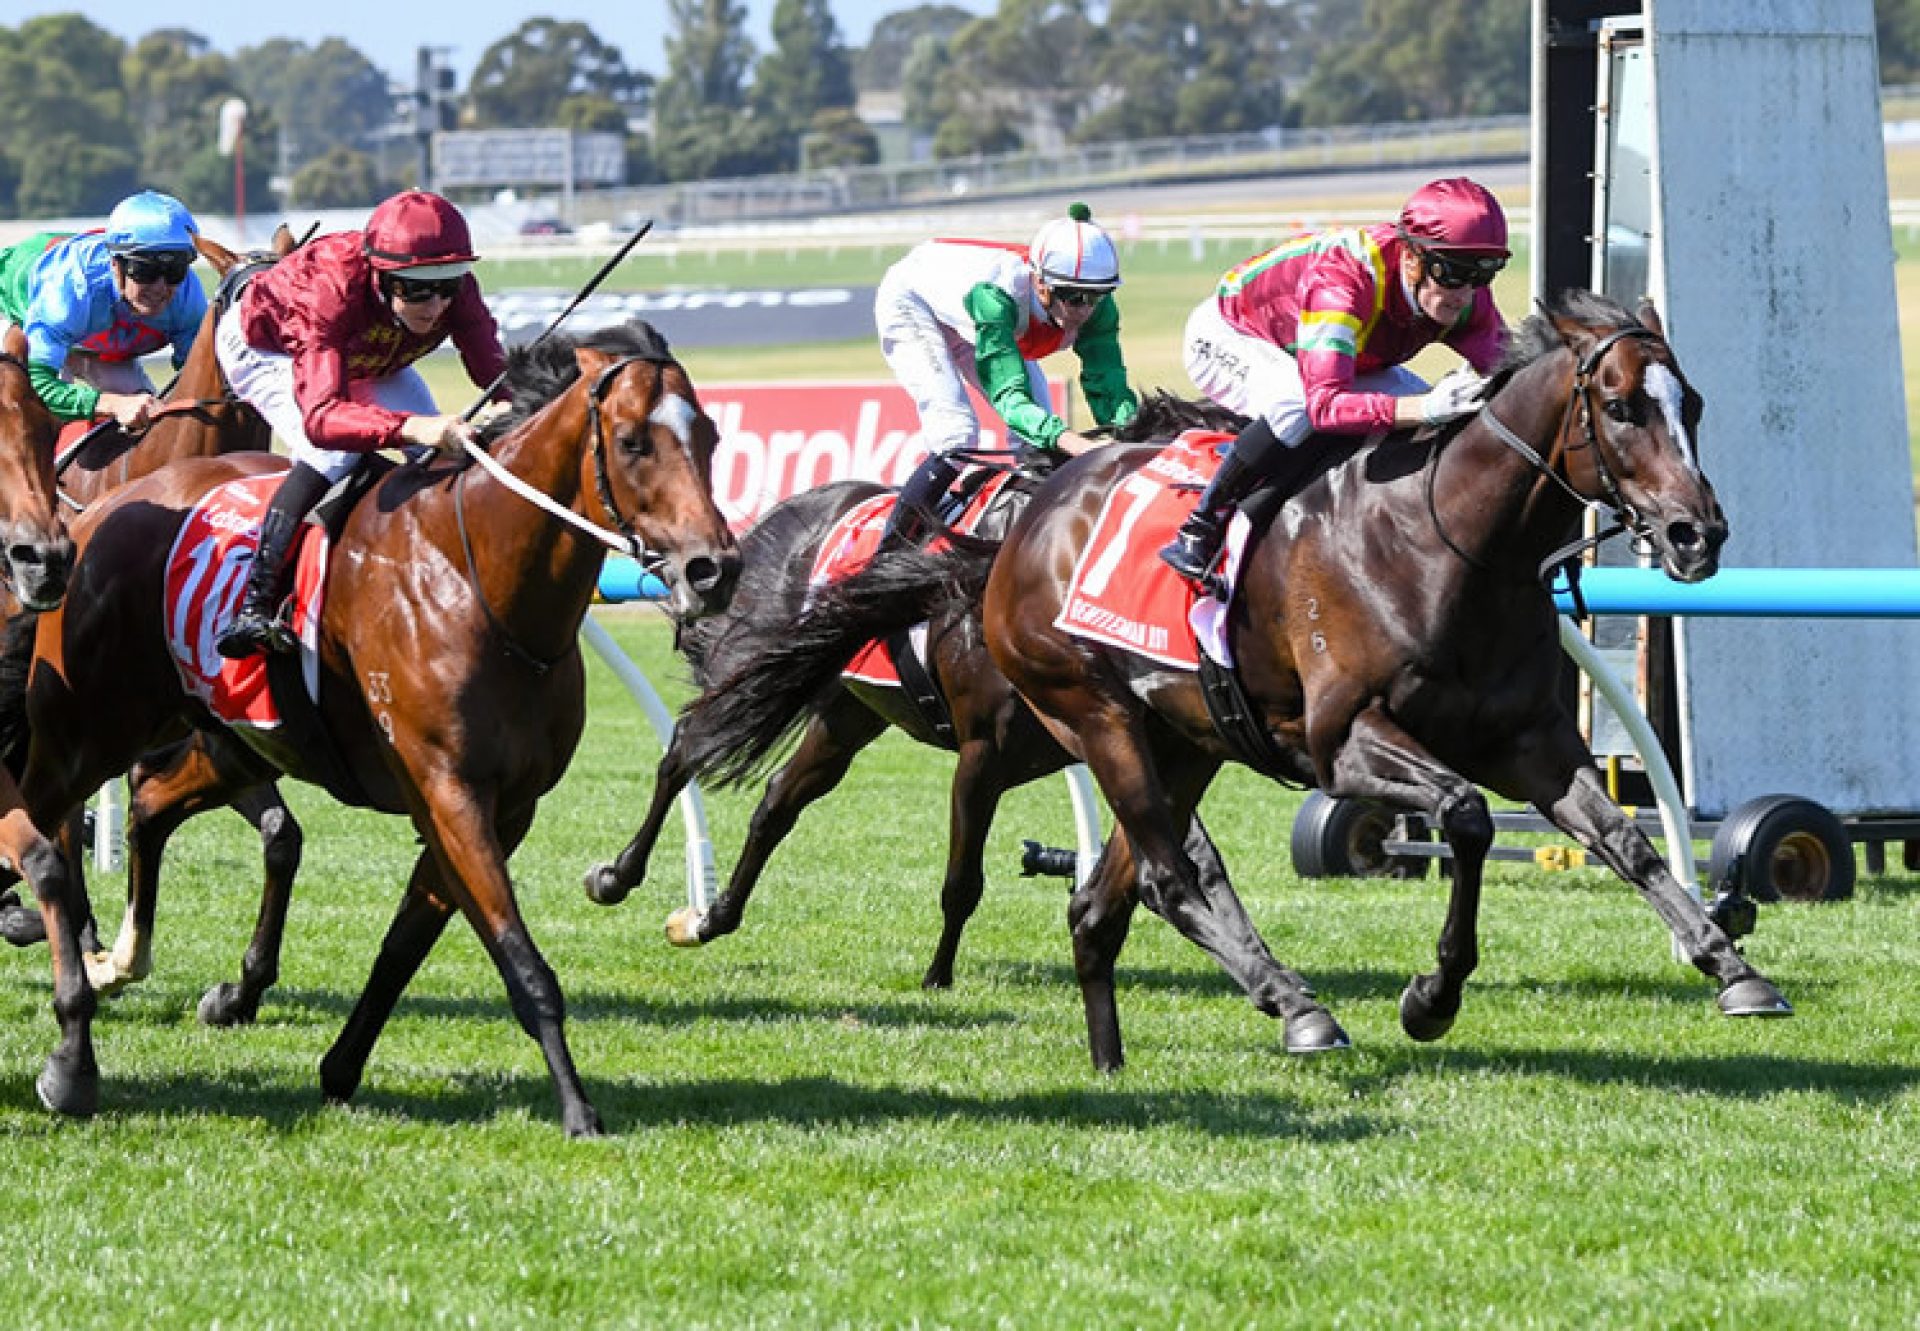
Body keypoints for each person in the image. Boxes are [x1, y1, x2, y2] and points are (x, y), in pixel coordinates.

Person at [1159, 176, 1512, 581]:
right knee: (1297, 404)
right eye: (1452, 273)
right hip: (1232, 334)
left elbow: (1507, 370)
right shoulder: (1343, 283)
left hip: (1339, 355)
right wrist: (1425, 408)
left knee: (1442, 413)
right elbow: (1324, 406)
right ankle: (1201, 526)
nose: (1465, 293)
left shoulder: (1464, 295)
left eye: (1483, 274)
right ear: (1412, 257)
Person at [213, 189, 507, 660]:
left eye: (447, 285)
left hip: (366, 352)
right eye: (416, 289)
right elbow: (322, 419)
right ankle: (255, 603)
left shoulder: (455, 291)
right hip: (269, 348)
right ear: (380, 275)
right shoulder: (328, 289)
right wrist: (413, 427)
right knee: (334, 455)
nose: (435, 305)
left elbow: (496, 375)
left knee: (440, 458)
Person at [875, 202, 1139, 544]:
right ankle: (887, 555)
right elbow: (1010, 399)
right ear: (1041, 284)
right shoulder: (997, 297)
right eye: (1074, 298)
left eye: (1097, 296)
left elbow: (1109, 387)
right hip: (915, 303)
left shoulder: (1095, 308)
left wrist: (1134, 436)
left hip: (986, 324)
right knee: (957, 436)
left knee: (1035, 442)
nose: (1085, 310)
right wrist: (1075, 443)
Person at [0, 189, 208, 433]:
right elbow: (40, 384)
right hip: (27, 311)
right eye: (145, 271)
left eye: (175, 271)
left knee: (151, 421)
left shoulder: (187, 296)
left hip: (93, 336)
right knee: (29, 422)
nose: (160, 287)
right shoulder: (70, 290)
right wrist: (112, 404)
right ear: (115, 265)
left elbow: (198, 379)